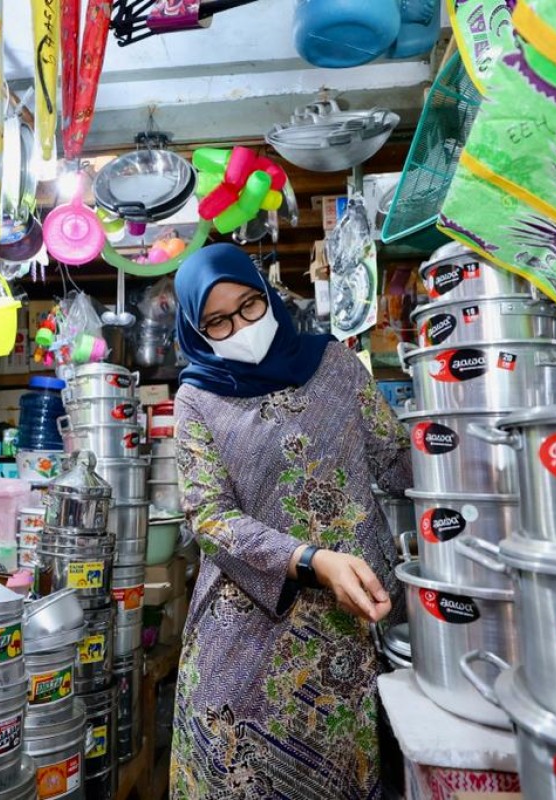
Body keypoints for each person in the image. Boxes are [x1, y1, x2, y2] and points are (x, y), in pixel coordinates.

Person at [169, 243, 412, 799]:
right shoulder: (197, 397)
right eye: (218, 321)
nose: (240, 327)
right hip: (249, 650)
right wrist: (311, 561)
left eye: (248, 305)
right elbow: (210, 516)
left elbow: (396, 459)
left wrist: (468, 455)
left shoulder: (335, 365)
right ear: (197, 331)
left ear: (268, 295)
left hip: (355, 626)